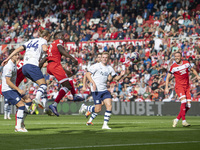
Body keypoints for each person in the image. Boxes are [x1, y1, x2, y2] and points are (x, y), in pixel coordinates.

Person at [1, 29, 51, 109]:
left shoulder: (30, 41)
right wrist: (53, 51)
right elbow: (45, 49)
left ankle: (23, 115)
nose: (48, 40)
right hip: (30, 68)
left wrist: (7, 58)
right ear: (45, 37)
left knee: (37, 89)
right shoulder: (43, 41)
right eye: (48, 38)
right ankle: (37, 98)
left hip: (25, 68)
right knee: (43, 85)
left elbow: (18, 49)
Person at [79, 52, 125, 129]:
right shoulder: (96, 66)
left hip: (104, 90)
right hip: (96, 90)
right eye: (103, 57)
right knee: (98, 109)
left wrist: (121, 75)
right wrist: (92, 82)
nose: (104, 59)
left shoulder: (109, 68)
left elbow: (116, 78)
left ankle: (105, 125)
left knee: (109, 106)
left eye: (106, 57)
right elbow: (87, 74)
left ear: (108, 58)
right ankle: (85, 107)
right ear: (101, 58)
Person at [45, 31, 80, 116]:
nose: (64, 37)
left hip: (51, 65)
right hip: (55, 65)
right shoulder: (59, 41)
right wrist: (72, 58)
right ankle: (54, 105)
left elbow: (45, 58)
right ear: (58, 36)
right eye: (62, 35)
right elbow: (61, 50)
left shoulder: (51, 45)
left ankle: (74, 95)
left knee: (69, 74)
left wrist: (40, 65)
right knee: (67, 86)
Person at [165, 52, 200, 127]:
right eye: (175, 56)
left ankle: (177, 119)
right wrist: (166, 87)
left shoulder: (186, 63)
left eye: (178, 56)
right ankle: (184, 121)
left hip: (187, 87)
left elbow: (193, 70)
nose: (177, 57)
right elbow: (168, 77)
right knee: (183, 102)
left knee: (189, 105)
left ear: (181, 57)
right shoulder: (173, 67)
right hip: (179, 86)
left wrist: (197, 76)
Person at [1, 50, 28, 132]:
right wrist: (18, 89)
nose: (17, 56)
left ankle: (21, 124)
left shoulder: (14, 64)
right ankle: (18, 127)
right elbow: (7, 81)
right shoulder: (9, 66)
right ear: (11, 55)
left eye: (18, 54)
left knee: (26, 104)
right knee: (21, 105)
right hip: (7, 90)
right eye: (15, 55)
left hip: (12, 89)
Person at [82, 53, 102, 124]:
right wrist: (84, 86)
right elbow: (85, 75)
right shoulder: (94, 66)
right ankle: (85, 107)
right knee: (98, 107)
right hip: (95, 88)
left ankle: (89, 120)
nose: (100, 58)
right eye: (99, 57)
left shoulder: (104, 67)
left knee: (101, 104)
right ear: (96, 59)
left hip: (102, 88)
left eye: (101, 57)